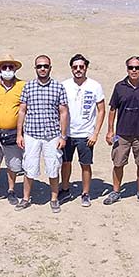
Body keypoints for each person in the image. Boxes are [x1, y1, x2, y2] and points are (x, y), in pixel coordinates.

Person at [15, 55, 69, 212]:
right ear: (35, 68)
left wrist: (63, 136)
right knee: (29, 167)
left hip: (52, 135)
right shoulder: (28, 86)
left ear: (50, 68)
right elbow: (22, 111)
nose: (42, 69)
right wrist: (19, 134)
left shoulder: (58, 87)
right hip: (32, 134)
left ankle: (54, 198)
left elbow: (63, 112)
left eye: (45, 66)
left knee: (53, 167)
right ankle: (26, 198)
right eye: (39, 66)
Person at [104, 56, 139, 206]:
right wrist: (110, 131)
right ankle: (116, 191)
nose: (134, 70)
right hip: (122, 133)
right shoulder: (119, 87)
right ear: (127, 69)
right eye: (131, 67)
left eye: (137, 68)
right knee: (118, 163)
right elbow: (113, 109)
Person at [60, 54, 105, 207]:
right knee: (65, 163)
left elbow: (101, 110)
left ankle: (85, 193)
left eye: (81, 66)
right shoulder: (64, 85)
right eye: (75, 67)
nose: (78, 69)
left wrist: (95, 133)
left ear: (86, 67)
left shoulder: (95, 86)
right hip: (67, 133)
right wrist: (61, 133)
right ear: (71, 68)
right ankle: (65, 189)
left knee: (85, 164)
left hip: (86, 134)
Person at [0, 56, 25, 206]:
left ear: (15, 69)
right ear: (0, 69)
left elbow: (24, 109)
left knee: (12, 164)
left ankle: (11, 190)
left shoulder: (22, 85)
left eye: (10, 67)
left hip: (14, 132)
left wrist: (20, 134)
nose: (7, 69)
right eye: (4, 67)